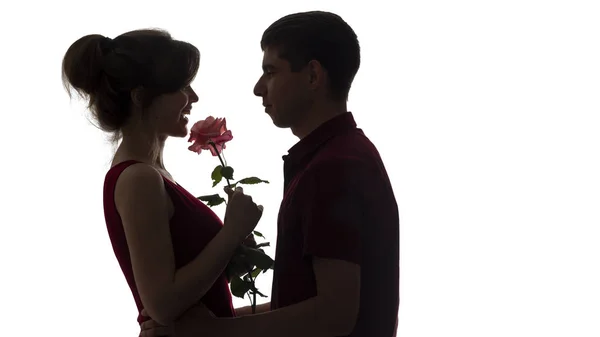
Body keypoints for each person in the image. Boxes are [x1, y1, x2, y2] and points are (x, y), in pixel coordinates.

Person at [141, 10, 399, 337]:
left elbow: (335, 315)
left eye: (270, 71)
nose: (258, 88)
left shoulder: (334, 166)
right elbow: (300, 305)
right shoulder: (341, 155)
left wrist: (213, 333)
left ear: (313, 76)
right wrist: (210, 324)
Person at [62, 28, 265, 328]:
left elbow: (205, 314)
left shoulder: (152, 176)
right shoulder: (139, 179)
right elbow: (163, 304)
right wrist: (231, 233)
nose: (193, 97)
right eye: (182, 87)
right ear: (141, 97)